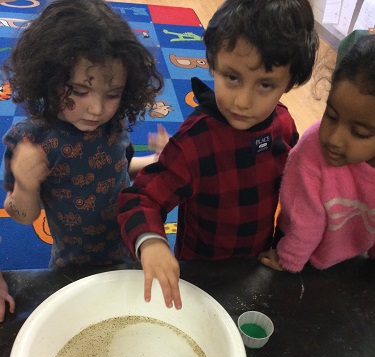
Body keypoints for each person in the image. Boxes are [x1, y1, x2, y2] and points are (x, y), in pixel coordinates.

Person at [117, 0, 319, 309]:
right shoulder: (194, 141)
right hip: (199, 272)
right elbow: (140, 199)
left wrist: (285, 246)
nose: (243, 102)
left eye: (265, 84)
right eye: (232, 78)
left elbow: (297, 193)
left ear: (290, 82)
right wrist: (153, 243)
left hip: (255, 263)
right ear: (212, 63)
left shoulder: (284, 124)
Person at [2, 0, 165, 268]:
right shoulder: (31, 140)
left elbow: (117, 169)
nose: (97, 109)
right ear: (49, 77)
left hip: (130, 248)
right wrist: (25, 185)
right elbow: (23, 216)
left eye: (112, 94)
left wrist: (153, 162)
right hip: (73, 264)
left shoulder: (111, 122)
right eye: (79, 91)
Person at [259, 33, 375, 273]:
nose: (333, 139)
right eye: (331, 116)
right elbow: (305, 222)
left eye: (359, 133)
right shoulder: (311, 151)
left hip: (352, 254)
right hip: (298, 250)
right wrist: (288, 259)